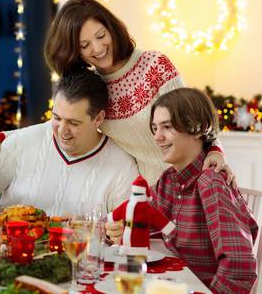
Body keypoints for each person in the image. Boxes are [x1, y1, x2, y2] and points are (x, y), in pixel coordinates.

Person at [0, 0, 232, 186]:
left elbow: (194, 118)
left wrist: (216, 150)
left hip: (195, 180)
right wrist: (2, 137)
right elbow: (59, 123)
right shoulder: (94, 88)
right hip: (155, 195)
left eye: (101, 36)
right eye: (84, 45)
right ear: (74, 50)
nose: (97, 48)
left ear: (112, 28)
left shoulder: (154, 65)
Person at [108, 88, 258, 293]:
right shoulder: (169, 180)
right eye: (155, 128)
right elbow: (139, 214)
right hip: (171, 283)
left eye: (167, 127)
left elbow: (239, 269)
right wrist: (113, 228)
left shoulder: (210, 183)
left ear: (198, 128)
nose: (157, 137)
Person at [0, 69, 138, 216]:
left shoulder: (122, 166)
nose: (62, 130)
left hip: (80, 259)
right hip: (12, 257)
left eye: (74, 123)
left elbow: (125, 233)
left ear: (98, 119)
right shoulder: (24, 141)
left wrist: (99, 230)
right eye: (56, 118)